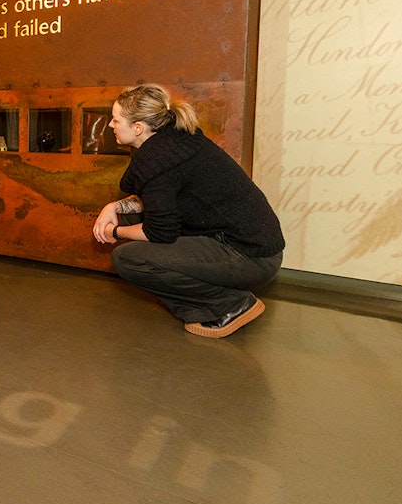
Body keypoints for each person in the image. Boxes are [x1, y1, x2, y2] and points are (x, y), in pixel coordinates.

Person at [91, 84, 284, 338]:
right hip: (256, 248)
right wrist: (114, 207)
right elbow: (160, 197)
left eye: (116, 120)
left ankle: (229, 305)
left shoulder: (156, 158)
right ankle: (220, 301)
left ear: (138, 128)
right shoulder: (176, 138)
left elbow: (159, 232)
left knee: (128, 259)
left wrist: (115, 230)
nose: (110, 126)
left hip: (250, 256)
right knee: (130, 218)